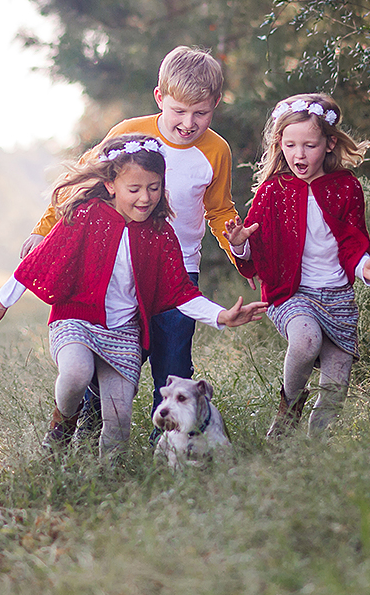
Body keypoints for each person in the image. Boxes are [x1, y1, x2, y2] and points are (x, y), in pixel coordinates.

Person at [0, 133, 266, 458]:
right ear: (112, 184)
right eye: (135, 189)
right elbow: (39, 261)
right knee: (75, 374)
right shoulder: (87, 216)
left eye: (154, 188)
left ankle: (104, 479)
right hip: (77, 319)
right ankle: (62, 426)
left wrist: (221, 315)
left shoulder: (160, 233)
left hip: (124, 332)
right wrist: (0, 301)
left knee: (118, 423)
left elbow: (180, 292)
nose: (145, 198)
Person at [21, 46, 240, 444]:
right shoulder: (128, 134)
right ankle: (87, 428)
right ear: (160, 98)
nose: (189, 124)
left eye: (201, 114)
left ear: (215, 106)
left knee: (173, 359)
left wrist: (236, 243)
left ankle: (170, 445)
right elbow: (85, 184)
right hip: (117, 266)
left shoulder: (216, 150)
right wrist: (44, 227)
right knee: (114, 353)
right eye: (179, 111)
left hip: (178, 271)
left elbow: (219, 209)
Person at [223, 93, 370, 438]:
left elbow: (351, 242)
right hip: (291, 294)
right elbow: (255, 251)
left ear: (330, 144)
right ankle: (288, 412)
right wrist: (239, 243)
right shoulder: (273, 191)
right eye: (290, 145)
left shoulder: (346, 187)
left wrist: (364, 268)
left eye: (310, 145)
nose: (299, 155)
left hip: (337, 297)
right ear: (279, 143)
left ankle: (313, 451)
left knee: (335, 388)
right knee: (305, 341)